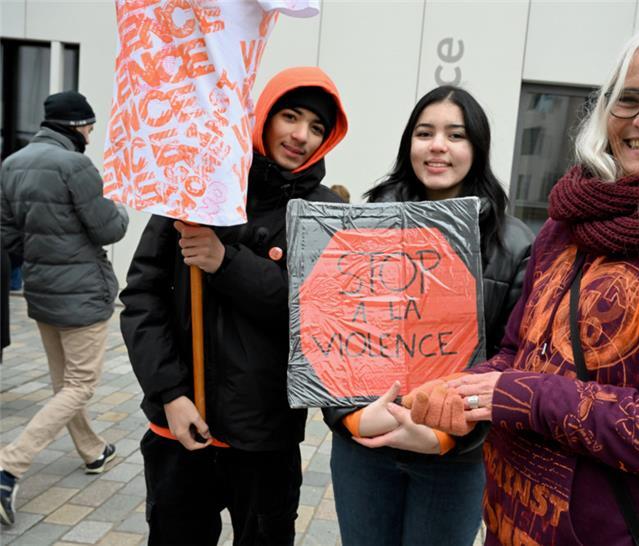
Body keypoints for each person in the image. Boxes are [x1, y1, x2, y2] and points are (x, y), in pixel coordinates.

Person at [407, 22, 639, 546]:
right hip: (506, 527)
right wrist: (459, 392)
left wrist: (528, 396)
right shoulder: (568, 221)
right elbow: (519, 354)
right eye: (628, 99)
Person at [120, 66, 348, 546]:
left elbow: (315, 315)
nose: (301, 136)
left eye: (317, 127)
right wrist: (170, 393)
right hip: (180, 429)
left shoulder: (324, 213)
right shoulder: (194, 187)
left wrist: (225, 262)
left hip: (265, 438)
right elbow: (141, 295)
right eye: (291, 116)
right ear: (264, 116)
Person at [322, 86, 534, 546]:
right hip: (366, 450)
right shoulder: (362, 226)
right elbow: (328, 336)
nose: (438, 146)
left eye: (455, 135)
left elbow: (514, 358)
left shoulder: (515, 245)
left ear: (477, 148)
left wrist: (444, 437)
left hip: (454, 460)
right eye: (425, 133)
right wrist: (353, 420)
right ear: (409, 144)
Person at [0, 91, 128, 526]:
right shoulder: (76, 166)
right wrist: (120, 205)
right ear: (77, 126)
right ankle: (9, 465)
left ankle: (93, 450)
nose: (91, 133)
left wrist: (42, 257)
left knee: (64, 383)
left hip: (41, 291)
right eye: (90, 126)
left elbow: (8, 236)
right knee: (80, 385)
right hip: (82, 294)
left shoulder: (12, 165)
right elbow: (108, 229)